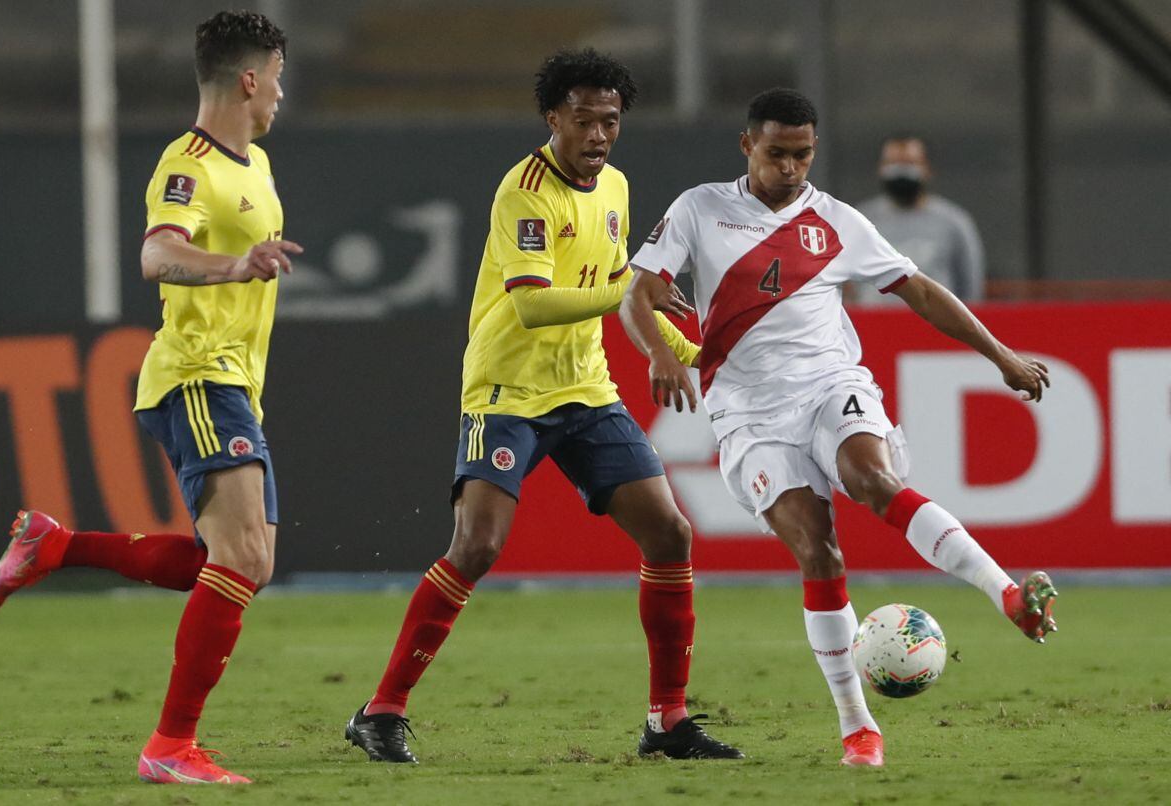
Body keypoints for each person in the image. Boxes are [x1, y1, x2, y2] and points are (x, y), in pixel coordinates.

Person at [619, 88, 1057, 768]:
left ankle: (1005, 592)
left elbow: (919, 290)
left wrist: (999, 354)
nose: (790, 169)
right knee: (819, 553)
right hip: (750, 413)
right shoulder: (699, 208)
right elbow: (637, 292)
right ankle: (858, 725)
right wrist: (657, 353)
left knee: (873, 480)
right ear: (747, 147)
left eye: (802, 155)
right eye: (776, 155)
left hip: (831, 384)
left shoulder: (839, 222)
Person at [344, 48, 742, 765]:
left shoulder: (615, 186)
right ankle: (381, 711)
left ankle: (667, 721)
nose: (598, 136)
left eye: (610, 122)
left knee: (669, 534)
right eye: (584, 121)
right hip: (507, 392)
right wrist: (631, 292)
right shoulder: (522, 191)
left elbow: (621, 288)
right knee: (478, 547)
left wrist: (692, 352)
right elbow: (532, 304)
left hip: (587, 390)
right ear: (553, 118)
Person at [0, 11, 301, 785]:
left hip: (234, 384)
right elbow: (159, 253)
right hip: (197, 374)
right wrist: (232, 266)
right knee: (243, 556)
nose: (283, 96)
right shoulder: (184, 164)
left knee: (240, 565)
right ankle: (169, 747)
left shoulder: (253, 164)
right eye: (279, 79)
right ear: (249, 79)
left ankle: (56, 546)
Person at [848, 135, 985, 305]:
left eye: (909, 163)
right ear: (881, 168)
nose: (901, 171)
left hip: (934, 327)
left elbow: (970, 287)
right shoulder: (859, 219)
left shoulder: (954, 222)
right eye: (893, 163)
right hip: (874, 327)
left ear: (927, 169)